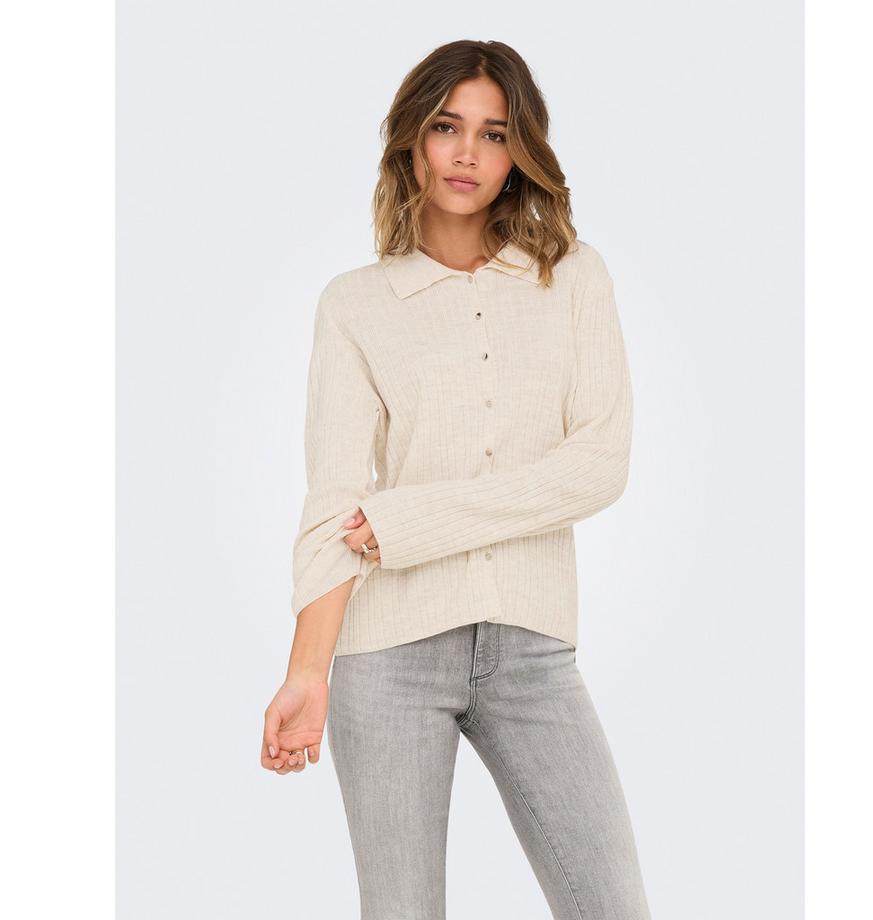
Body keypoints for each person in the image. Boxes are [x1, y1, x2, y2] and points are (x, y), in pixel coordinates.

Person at [261, 39, 653, 920]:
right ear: (412, 139)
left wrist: (411, 522)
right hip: (386, 658)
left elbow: (598, 465)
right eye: (446, 127)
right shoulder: (355, 304)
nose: (467, 153)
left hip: (533, 652)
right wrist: (307, 672)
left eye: (494, 133)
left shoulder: (574, 278)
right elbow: (334, 504)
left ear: (521, 153)